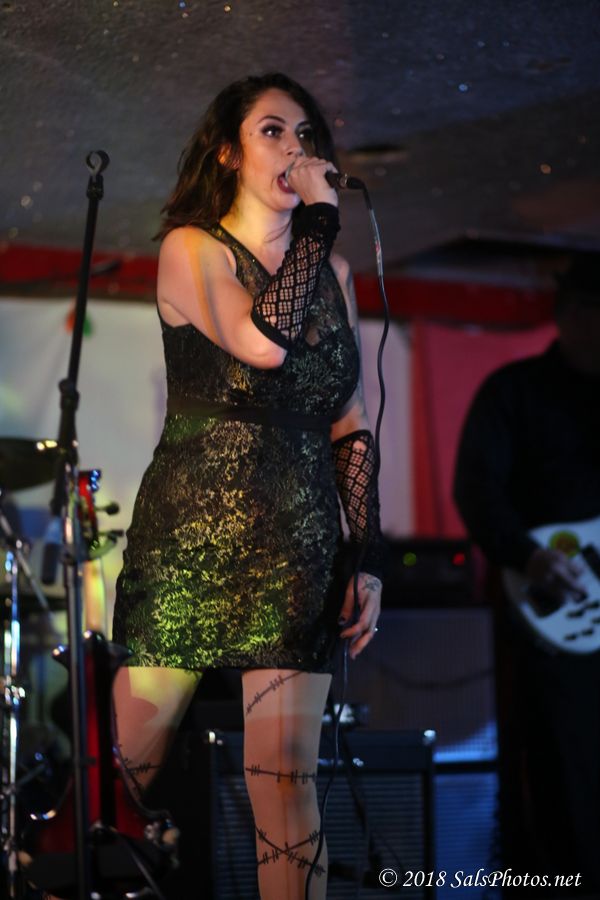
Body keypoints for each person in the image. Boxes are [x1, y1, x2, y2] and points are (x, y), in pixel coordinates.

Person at [111, 72, 385, 900]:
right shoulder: (192, 249)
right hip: (192, 543)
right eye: (273, 131)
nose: (295, 149)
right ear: (229, 152)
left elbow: (350, 421)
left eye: (306, 135)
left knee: (287, 783)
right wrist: (320, 218)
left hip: (296, 547)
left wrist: (364, 554)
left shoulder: (333, 274)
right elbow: (261, 343)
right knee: (124, 777)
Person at [453, 254, 600, 895]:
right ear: (569, 315)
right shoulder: (513, 393)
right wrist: (528, 555)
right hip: (548, 615)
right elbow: (476, 489)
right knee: (554, 768)